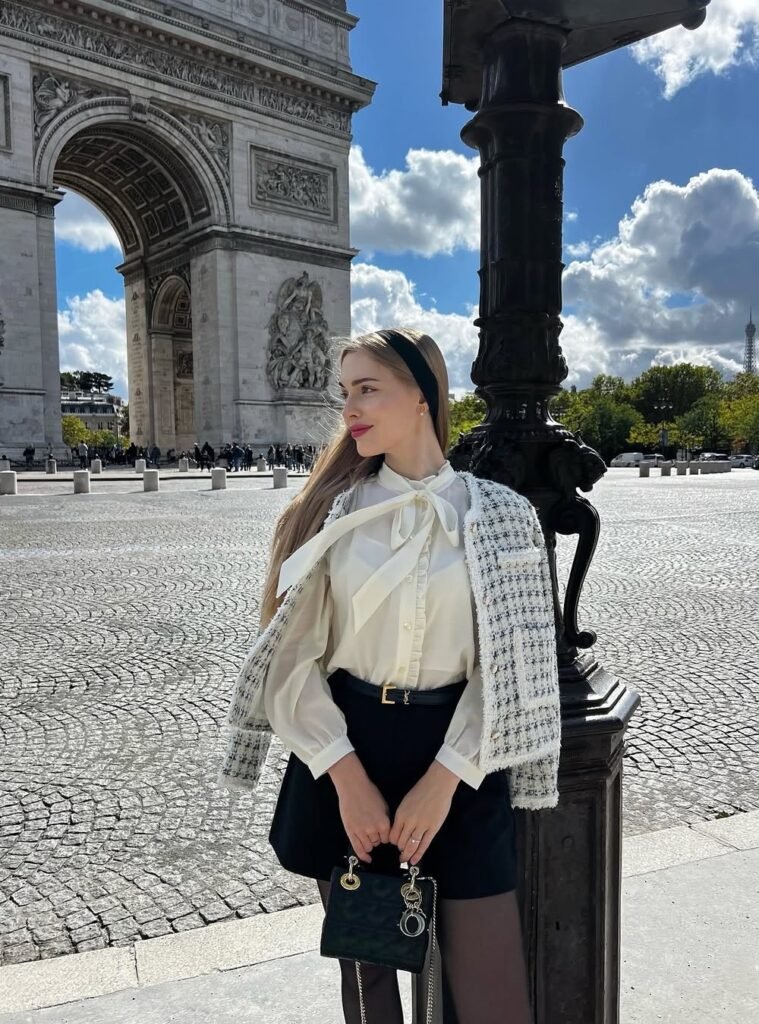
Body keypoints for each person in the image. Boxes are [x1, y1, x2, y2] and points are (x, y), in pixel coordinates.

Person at [219, 328, 560, 1024]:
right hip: (349, 751)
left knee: (490, 995)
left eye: (367, 388)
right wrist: (345, 779)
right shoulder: (329, 513)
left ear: (424, 397)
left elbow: (516, 663)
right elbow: (290, 661)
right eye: (345, 393)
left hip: (463, 762)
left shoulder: (500, 514)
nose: (349, 408)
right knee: (373, 988)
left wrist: (445, 778)